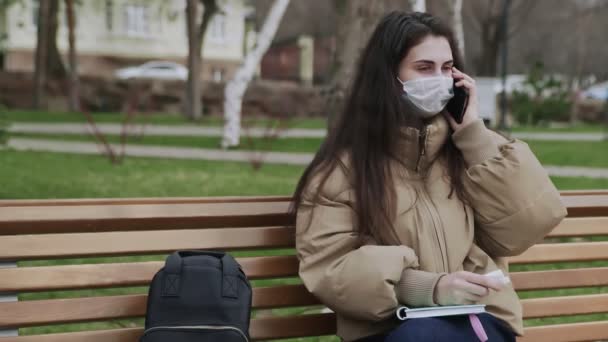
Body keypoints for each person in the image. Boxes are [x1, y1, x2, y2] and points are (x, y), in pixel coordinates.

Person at [290, 11, 567, 342]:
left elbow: (528, 226)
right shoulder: (345, 169)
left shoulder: (470, 152)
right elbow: (330, 265)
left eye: (447, 68)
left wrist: (474, 137)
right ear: (388, 77)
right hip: (390, 330)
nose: (440, 79)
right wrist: (429, 288)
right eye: (424, 68)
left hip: (477, 322)